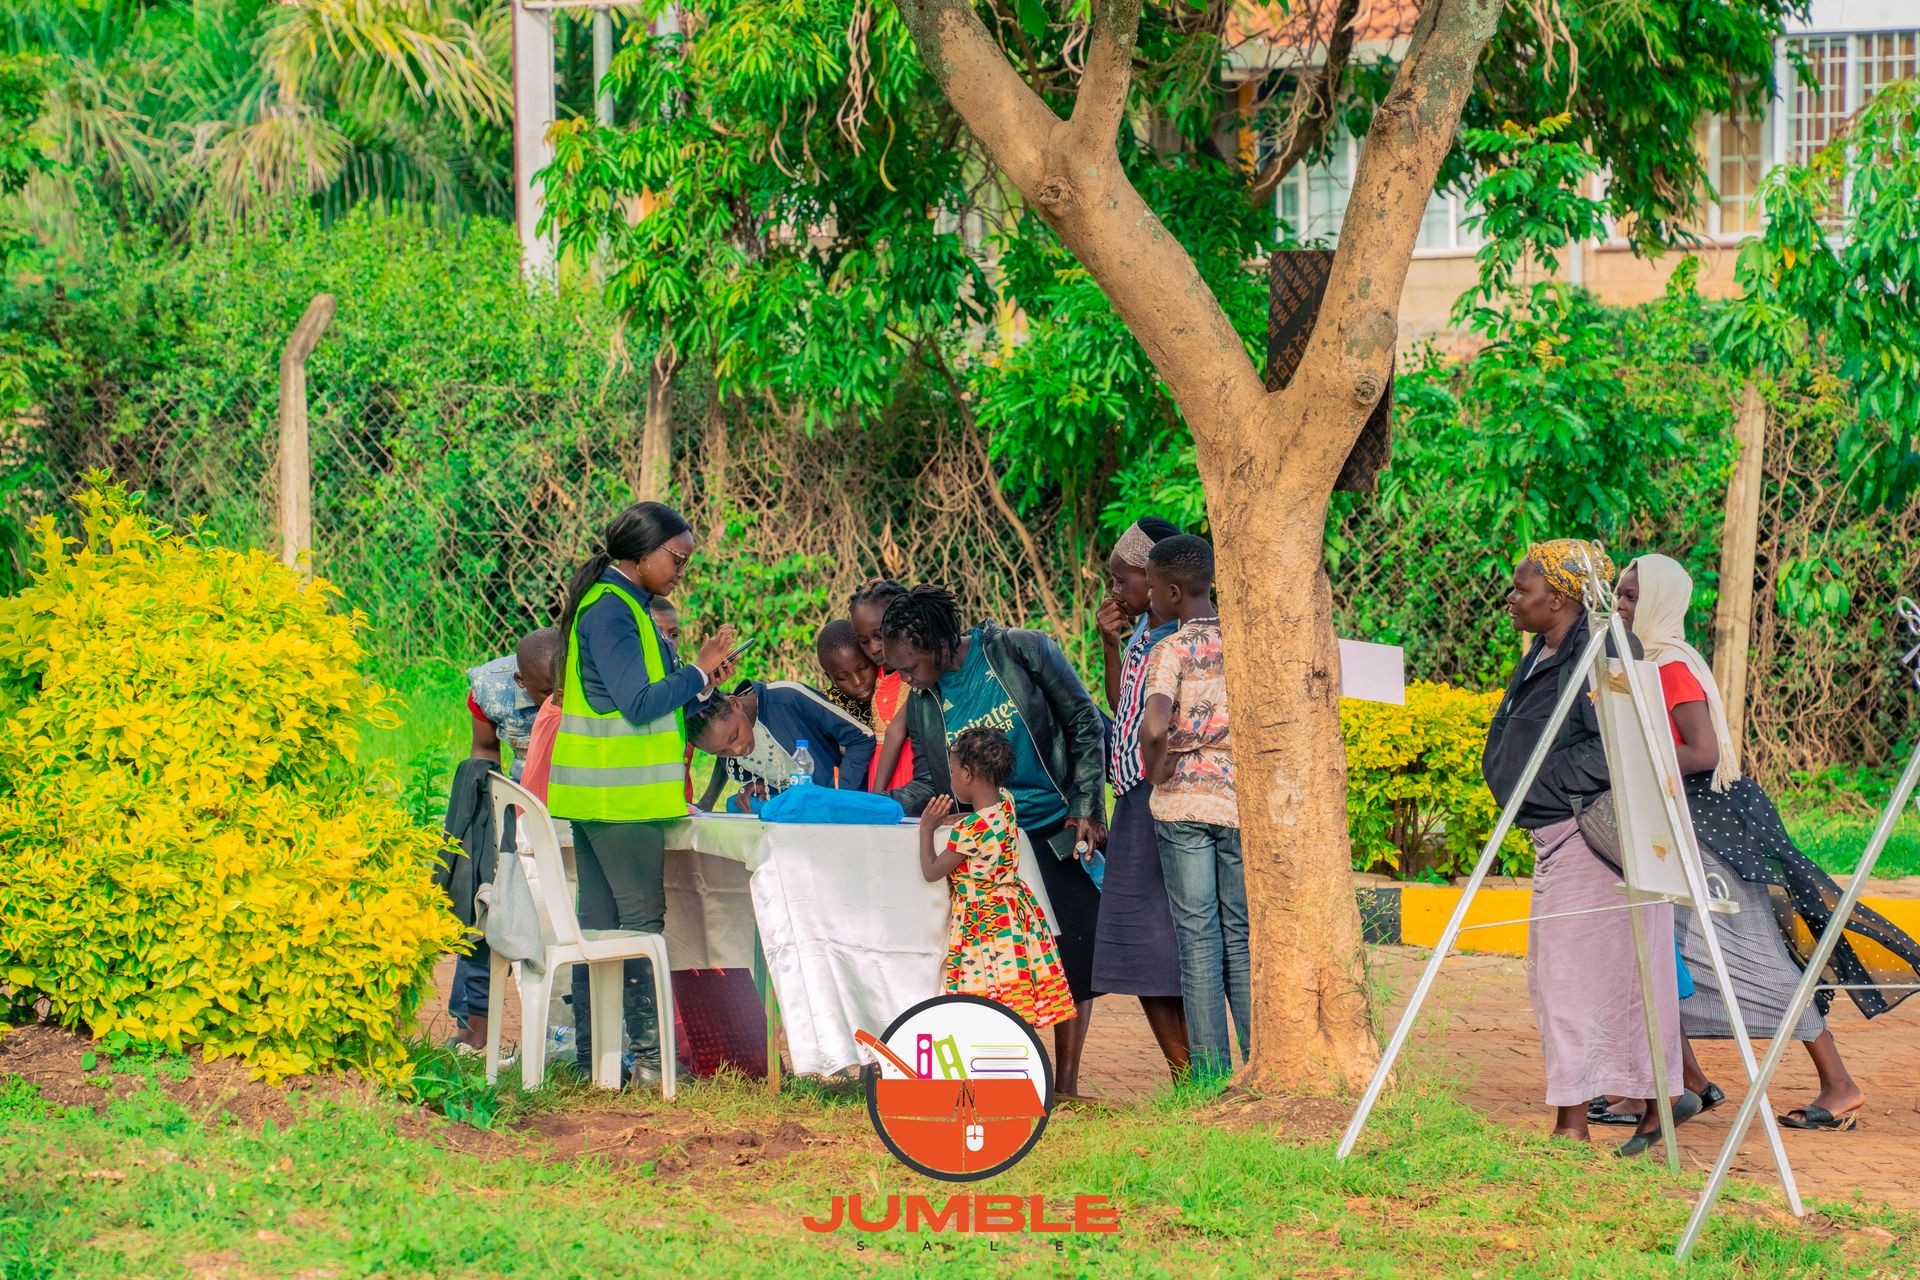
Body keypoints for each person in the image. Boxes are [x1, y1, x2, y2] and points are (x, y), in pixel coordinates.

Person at [1615, 553, 1920, 1133]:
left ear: (1657, 604)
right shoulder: (1645, 662)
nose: (1622, 607)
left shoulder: (1671, 667)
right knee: (1664, 953)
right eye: (1620, 596)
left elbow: (1701, 753)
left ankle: (1840, 1085)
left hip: (1713, 833)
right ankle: (1681, 1083)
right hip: (1684, 827)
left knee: (1754, 960)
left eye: (1632, 598)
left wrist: (1632, 760)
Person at [1482, 538, 1694, 1154]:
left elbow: (1615, 748)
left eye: (1523, 588)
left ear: (1561, 596)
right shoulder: (1545, 650)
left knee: (1577, 984)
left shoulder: (1605, 649)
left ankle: (1576, 1123)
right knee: (1578, 980)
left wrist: (1540, 785)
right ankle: (1651, 1106)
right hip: (1555, 833)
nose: (1513, 598)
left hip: (1588, 837)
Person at [881, 585, 1108, 1096]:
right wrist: (878, 807)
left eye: (909, 666)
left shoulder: (1020, 650)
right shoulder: (921, 701)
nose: (904, 679)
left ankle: (1067, 1084)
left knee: (1070, 954)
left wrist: (1087, 804)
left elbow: (1082, 722)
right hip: (989, 844)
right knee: (1008, 970)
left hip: (1052, 827)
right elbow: (928, 781)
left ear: (936, 642)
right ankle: (1024, 1074)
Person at [548, 501, 737, 1083]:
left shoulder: (623, 604)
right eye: (677, 559)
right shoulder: (612, 610)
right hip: (617, 801)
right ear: (645, 552)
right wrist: (699, 671)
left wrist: (699, 684)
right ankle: (654, 1067)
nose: (682, 570)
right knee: (638, 927)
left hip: (608, 798)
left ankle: (595, 1064)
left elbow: (646, 698)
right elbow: (636, 705)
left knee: (601, 928)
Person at [1137, 535, 1245, 1084]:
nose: (1149, 596)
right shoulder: (1248, 639)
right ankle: (1258, 1064)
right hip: (1238, 804)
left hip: (1182, 808)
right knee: (1241, 935)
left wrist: (1157, 767)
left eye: (1152, 586)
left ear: (1173, 591)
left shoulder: (1170, 648)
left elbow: (1155, 724)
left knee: (1198, 937)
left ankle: (1208, 1079)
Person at [1090, 518, 1191, 1080]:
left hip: (1160, 795)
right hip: (1132, 791)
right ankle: (1187, 1073)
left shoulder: (1179, 638)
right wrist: (1110, 645)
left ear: (1156, 581)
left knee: (1154, 940)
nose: (1114, 592)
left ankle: (1192, 1071)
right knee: (1141, 942)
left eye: (1121, 579)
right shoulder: (1142, 633)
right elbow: (1124, 706)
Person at [919, 727, 1077, 1029]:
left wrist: (927, 829)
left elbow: (932, 870)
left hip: (984, 922)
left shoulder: (972, 832)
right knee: (1012, 987)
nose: (951, 778)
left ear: (966, 774)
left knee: (986, 993)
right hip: (1013, 913)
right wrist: (951, 820)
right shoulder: (1006, 803)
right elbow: (979, 822)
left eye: (953, 771)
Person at [689, 678, 876, 809]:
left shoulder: (787, 698)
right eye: (722, 752)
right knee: (736, 806)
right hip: (796, 806)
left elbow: (861, 738)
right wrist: (765, 784)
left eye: (734, 736)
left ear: (735, 703)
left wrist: (837, 796)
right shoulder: (729, 737)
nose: (737, 751)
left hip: (836, 801)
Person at [467, 627, 561, 779]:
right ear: (521, 681)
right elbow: (485, 751)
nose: (560, 700)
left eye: (567, 689)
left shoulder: (596, 678)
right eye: (549, 693)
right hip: (524, 788)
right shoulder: (492, 689)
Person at [849, 579, 916, 791]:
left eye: (879, 636)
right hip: (879, 773)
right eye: (864, 641)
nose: (875, 648)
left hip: (911, 774)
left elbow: (897, 731)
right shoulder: (872, 675)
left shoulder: (916, 673)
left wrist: (876, 795)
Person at [815, 619, 880, 725]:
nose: (858, 681)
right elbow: (800, 741)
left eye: (863, 668)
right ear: (830, 678)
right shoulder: (825, 706)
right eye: (843, 678)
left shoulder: (898, 681)